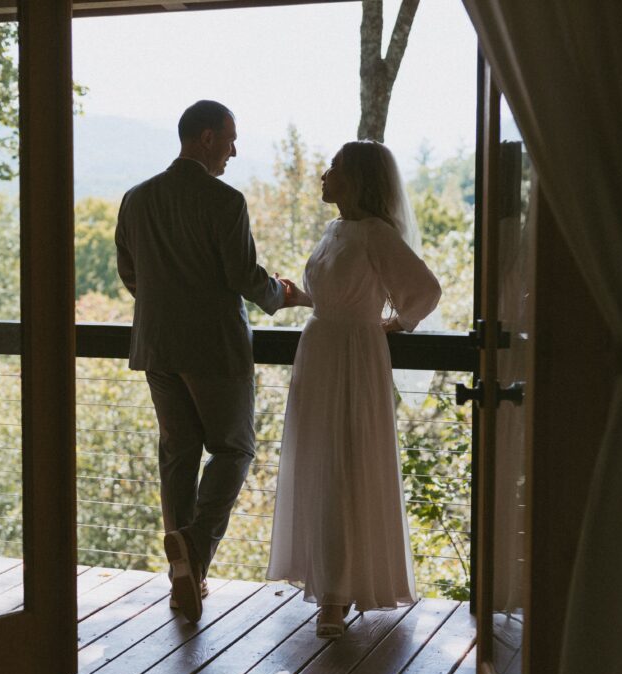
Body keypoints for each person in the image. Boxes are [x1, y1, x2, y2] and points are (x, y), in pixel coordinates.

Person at [115, 100, 302, 623]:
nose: (234, 151)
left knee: (178, 454)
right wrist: (283, 294)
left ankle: (185, 580)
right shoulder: (225, 201)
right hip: (215, 349)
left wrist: (164, 305)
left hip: (156, 346)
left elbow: (129, 271)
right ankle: (193, 551)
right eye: (229, 139)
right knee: (235, 448)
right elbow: (245, 276)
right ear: (205, 138)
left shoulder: (136, 199)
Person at [266, 140, 442, 639]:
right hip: (320, 351)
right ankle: (326, 584)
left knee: (343, 465)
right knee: (320, 463)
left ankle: (338, 597)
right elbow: (336, 295)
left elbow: (425, 289)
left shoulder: (375, 234)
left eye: (335, 168)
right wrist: (302, 298)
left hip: (352, 358)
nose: (324, 175)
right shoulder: (335, 229)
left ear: (358, 179)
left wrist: (393, 323)